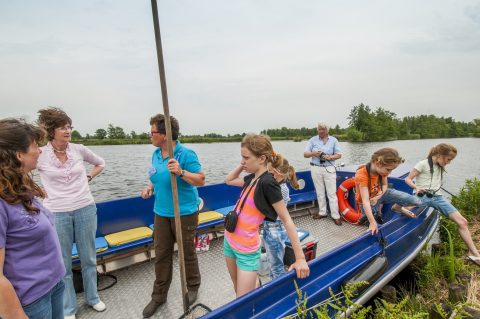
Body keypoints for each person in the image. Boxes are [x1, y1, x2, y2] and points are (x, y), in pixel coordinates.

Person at [36, 107, 106, 319]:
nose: (67, 131)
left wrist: (89, 177)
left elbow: (100, 163)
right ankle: (69, 308)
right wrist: (38, 192)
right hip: (57, 213)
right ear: (51, 130)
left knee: (89, 257)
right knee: (63, 263)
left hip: (85, 207)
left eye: (69, 127)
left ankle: (93, 298)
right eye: (62, 127)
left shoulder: (79, 149)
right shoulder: (40, 154)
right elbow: (22, 173)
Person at [224, 133, 309, 298]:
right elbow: (228, 180)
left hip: (246, 250)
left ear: (262, 158)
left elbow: (286, 220)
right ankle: (255, 285)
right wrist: (243, 165)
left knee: (243, 300)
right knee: (237, 291)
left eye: (246, 157)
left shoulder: (268, 183)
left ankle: (255, 287)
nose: (242, 161)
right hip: (230, 240)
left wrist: (300, 258)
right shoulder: (252, 178)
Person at [140, 114, 205, 318]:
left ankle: (193, 286)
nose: (149, 135)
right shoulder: (156, 154)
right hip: (160, 213)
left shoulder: (186, 154)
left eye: (152, 132)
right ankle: (159, 296)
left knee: (186, 252)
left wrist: (181, 171)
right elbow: (156, 176)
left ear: (165, 134)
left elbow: (201, 180)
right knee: (162, 255)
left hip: (183, 213)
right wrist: (150, 186)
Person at [0, 118, 65, 319]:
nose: (40, 150)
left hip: (53, 285)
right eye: (35, 146)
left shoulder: (20, 187)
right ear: (19, 155)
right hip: (31, 300)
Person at [405, 143, 480, 264]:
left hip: (438, 198)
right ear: (440, 155)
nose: (449, 162)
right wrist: (416, 187)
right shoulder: (422, 164)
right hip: (422, 196)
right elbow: (407, 179)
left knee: (463, 222)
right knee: (400, 210)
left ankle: (473, 253)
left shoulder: (439, 164)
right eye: (448, 159)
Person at [355, 147, 422, 235]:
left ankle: (397, 207)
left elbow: (384, 185)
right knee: (377, 228)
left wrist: (378, 195)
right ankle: (370, 220)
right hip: (369, 202)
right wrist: (372, 222)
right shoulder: (362, 175)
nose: (389, 173)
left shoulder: (382, 170)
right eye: (388, 169)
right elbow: (365, 201)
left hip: (382, 193)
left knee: (417, 201)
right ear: (377, 163)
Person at [262, 154, 299, 280]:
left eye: (271, 173)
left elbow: (275, 211)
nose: (268, 176)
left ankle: (279, 288)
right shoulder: (276, 185)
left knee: (277, 266)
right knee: (272, 262)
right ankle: (272, 283)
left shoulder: (280, 189)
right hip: (270, 228)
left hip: (275, 230)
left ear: (280, 175)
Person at [303, 122, 343, 225]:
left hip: (329, 168)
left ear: (327, 130)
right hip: (316, 168)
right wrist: (314, 153)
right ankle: (322, 212)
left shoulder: (334, 140)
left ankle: (336, 216)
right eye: (319, 129)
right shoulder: (313, 140)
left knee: (331, 193)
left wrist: (329, 157)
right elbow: (305, 154)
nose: (320, 131)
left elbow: (339, 155)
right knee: (320, 192)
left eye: (323, 129)